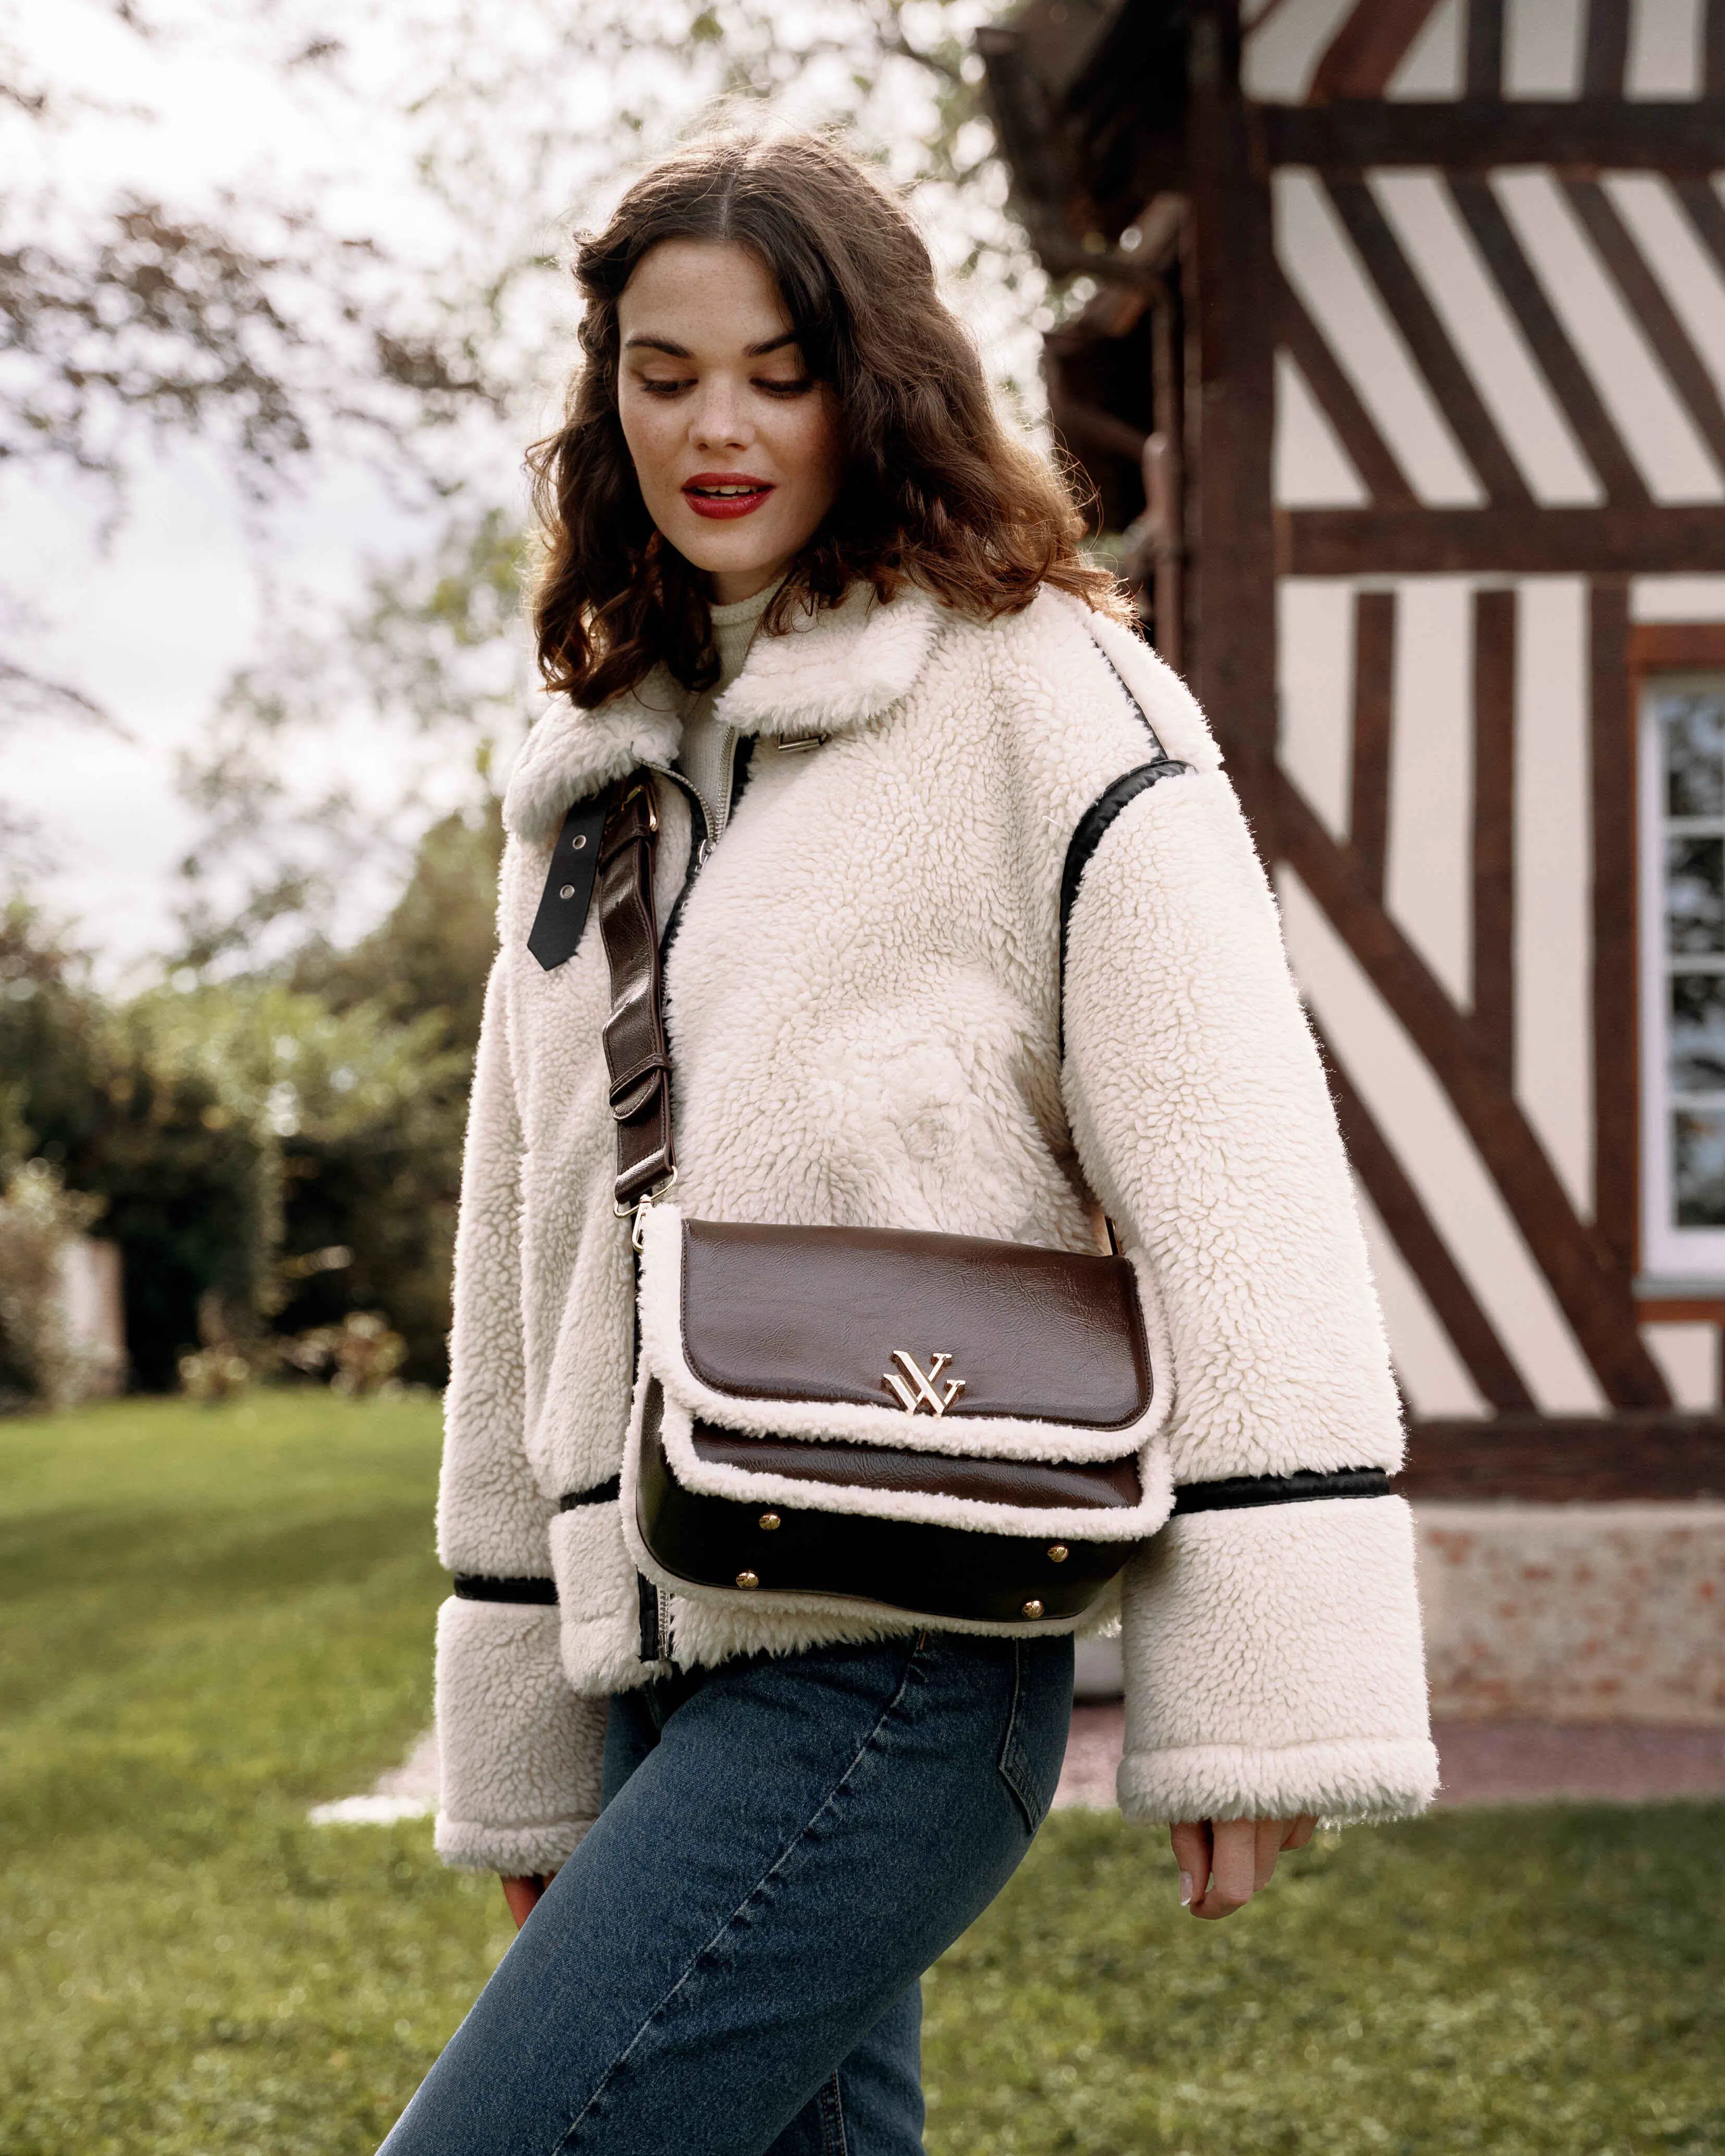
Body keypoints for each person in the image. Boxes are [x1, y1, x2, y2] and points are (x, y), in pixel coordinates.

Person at [379, 127, 1434, 2156]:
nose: (719, 426)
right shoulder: (593, 768)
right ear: (604, 397)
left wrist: (1262, 1698)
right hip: (650, 1657)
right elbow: (517, 1270)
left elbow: (1236, 1186)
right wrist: (531, 1736)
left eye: (779, 369)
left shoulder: (1054, 701)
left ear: (879, 381)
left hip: (905, 1669)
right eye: (665, 370)